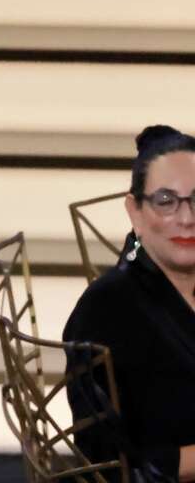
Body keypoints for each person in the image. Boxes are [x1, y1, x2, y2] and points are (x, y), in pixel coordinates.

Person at [64, 125, 195, 482]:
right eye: (165, 201)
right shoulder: (103, 312)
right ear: (135, 211)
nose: (186, 218)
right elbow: (108, 465)